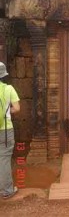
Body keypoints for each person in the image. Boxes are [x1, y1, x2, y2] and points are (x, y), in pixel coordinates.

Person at [0, 62, 20, 200]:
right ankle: (7, 190)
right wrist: (6, 112)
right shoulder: (8, 89)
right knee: (4, 158)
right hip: (5, 129)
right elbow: (17, 108)